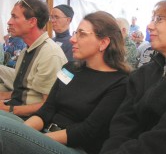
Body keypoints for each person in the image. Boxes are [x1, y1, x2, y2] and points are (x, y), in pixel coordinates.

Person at [0, 11, 130, 154]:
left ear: (103, 42)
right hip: (46, 134)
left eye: (82, 34)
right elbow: (46, 110)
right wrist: (22, 135)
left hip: (75, 146)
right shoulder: (69, 69)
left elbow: (87, 131)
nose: (72, 39)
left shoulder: (120, 83)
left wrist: (30, 138)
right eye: (75, 33)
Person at [100, 0, 166, 154]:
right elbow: (122, 126)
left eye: (159, 19)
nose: (149, 26)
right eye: (152, 19)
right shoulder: (143, 73)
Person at [0, 0, 67, 119]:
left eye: (15, 17)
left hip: (27, 122)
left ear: (32, 22)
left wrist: (7, 109)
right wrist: (4, 96)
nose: (9, 21)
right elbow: (27, 92)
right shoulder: (27, 50)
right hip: (16, 111)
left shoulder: (50, 54)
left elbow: (49, 105)